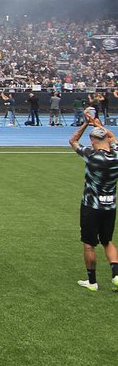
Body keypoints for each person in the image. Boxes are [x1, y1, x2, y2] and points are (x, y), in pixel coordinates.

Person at [68, 113, 118, 291]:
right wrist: (98, 125)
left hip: (91, 205)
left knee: (89, 243)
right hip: (110, 205)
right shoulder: (117, 155)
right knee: (107, 241)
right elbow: (113, 138)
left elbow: (73, 140)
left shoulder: (91, 154)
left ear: (92, 141)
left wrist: (85, 124)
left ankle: (92, 281)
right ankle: (116, 275)